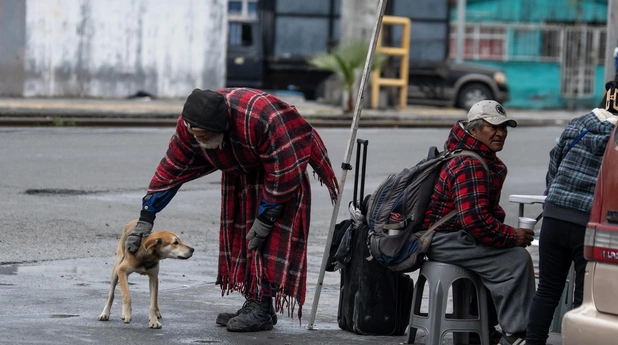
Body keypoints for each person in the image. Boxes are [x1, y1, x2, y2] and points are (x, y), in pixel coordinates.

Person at [125, 87, 339, 332]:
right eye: (196, 136)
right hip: (241, 171)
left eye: (205, 137)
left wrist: (268, 214)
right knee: (242, 237)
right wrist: (146, 217)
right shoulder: (189, 126)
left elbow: (283, 168)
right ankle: (260, 305)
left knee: (266, 240)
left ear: (223, 129)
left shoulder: (262, 119)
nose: (199, 142)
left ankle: (260, 307)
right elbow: (172, 168)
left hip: (282, 171)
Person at [422, 100, 536, 345]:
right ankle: (517, 333)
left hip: (455, 236)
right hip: (444, 239)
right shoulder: (470, 163)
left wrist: (503, 234)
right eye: (493, 127)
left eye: (504, 128)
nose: (501, 133)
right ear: (473, 130)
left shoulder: (474, 156)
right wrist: (512, 235)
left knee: (503, 255)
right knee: (517, 260)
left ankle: (480, 327)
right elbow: (475, 223)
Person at [526, 81, 618, 345]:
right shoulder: (616, 137)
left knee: (547, 290)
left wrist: (553, 203)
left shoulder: (578, 124)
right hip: (588, 226)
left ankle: (534, 342)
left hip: (555, 218)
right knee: (584, 297)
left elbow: (553, 167)